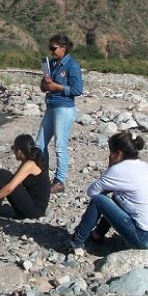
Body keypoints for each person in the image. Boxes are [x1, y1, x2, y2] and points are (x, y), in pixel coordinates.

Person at [68, 131, 148, 254]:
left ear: (118, 154)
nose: (109, 156)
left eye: (111, 152)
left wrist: (110, 168)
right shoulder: (144, 166)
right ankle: (97, 235)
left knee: (98, 201)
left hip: (146, 237)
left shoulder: (118, 169)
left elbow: (92, 192)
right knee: (117, 198)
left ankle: (75, 243)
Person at [36, 34, 83, 194]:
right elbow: (44, 87)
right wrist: (45, 84)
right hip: (51, 106)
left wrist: (56, 86)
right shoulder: (52, 64)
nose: (51, 52)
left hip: (64, 108)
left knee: (60, 146)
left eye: (53, 48)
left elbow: (77, 90)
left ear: (63, 48)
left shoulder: (72, 66)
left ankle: (59, 181)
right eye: (50, 48)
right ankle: (40, 175)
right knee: (39, 144)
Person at [0, 134, 50, 223]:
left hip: (35, 212)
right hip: (32, 205)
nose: (13, 151)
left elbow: (9, 188)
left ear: (19, 151)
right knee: (3, 175)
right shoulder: (29, 159)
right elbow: (11, 181)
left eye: (13, 148)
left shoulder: (30, 164)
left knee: (3, 175)